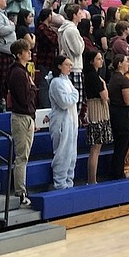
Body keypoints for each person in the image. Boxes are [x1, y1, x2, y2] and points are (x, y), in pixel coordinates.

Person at [6, 39, 37, 205]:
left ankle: (21, 189)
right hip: (21, 116)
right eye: (26, 51)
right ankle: (20, 192)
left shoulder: (22, 71)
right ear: (19, 54)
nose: (29, 53)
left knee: (23, 156)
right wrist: (32, 88)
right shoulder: (18, 73)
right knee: (22, 157)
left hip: (26, 116)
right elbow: (24, 98)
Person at [48, 55, 80, 189]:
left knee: (72, 154)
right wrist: (75, 94)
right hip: (62, 122)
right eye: (67, 64)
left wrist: (74, 94)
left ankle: (69, 182)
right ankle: (60, 183)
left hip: (71, 121)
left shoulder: (67, 81)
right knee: (63, 153)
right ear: (59, 66)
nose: (70, 67)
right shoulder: (56, 82)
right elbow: (64, 102)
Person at [83, 50, 112, 184]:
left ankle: (92, 179)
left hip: (96, 109)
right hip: (97, 111)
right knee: (95, 148)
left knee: (96, 148)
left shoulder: (93, 75)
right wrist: (104, 85)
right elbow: (105, 96)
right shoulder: (93, 77)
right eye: (98, 59)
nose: (101, 61)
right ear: (91, 61)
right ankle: (92, 179)